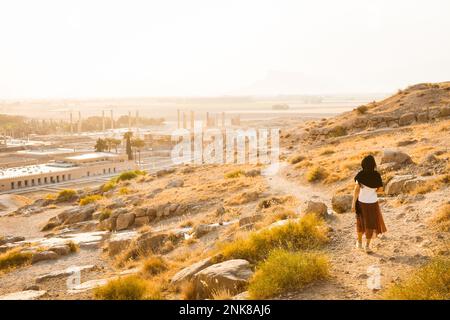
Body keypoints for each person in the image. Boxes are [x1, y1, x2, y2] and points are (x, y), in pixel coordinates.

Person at [351, 155, 387, 253]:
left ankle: (359, 243)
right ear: (373, 164)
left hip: (361, 202)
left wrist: (353, 204)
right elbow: (381, 190)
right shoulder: (376, 175)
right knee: (370, 224)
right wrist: (373, 190)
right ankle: (367, 246)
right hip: (372, 203)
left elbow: (356, 190)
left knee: (360, 223)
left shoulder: (360, 175)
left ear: (363, 164)